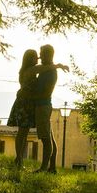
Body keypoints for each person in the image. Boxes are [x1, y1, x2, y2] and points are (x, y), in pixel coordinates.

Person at [7, 48, 68, 168]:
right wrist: (58, 65)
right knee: (23, 132)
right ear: (30, 59)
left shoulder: (26, 70)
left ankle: (19, 160)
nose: (38, 58)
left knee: (24, 133)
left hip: (28, 103)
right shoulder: (31, 70)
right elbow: (43, 68)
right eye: (36, 56)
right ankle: (19, 159)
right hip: (26, 104)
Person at [34, 44, 62, 173]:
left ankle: (44, 167)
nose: (39, 57)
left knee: (45, 138)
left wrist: (32, 94)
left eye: (41, 54)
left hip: (42, 105)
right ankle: (52, 167)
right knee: (49, 137)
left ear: (48, 54)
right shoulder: (49, 69)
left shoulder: (50, 72)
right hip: (45, 105)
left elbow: (45, 91)